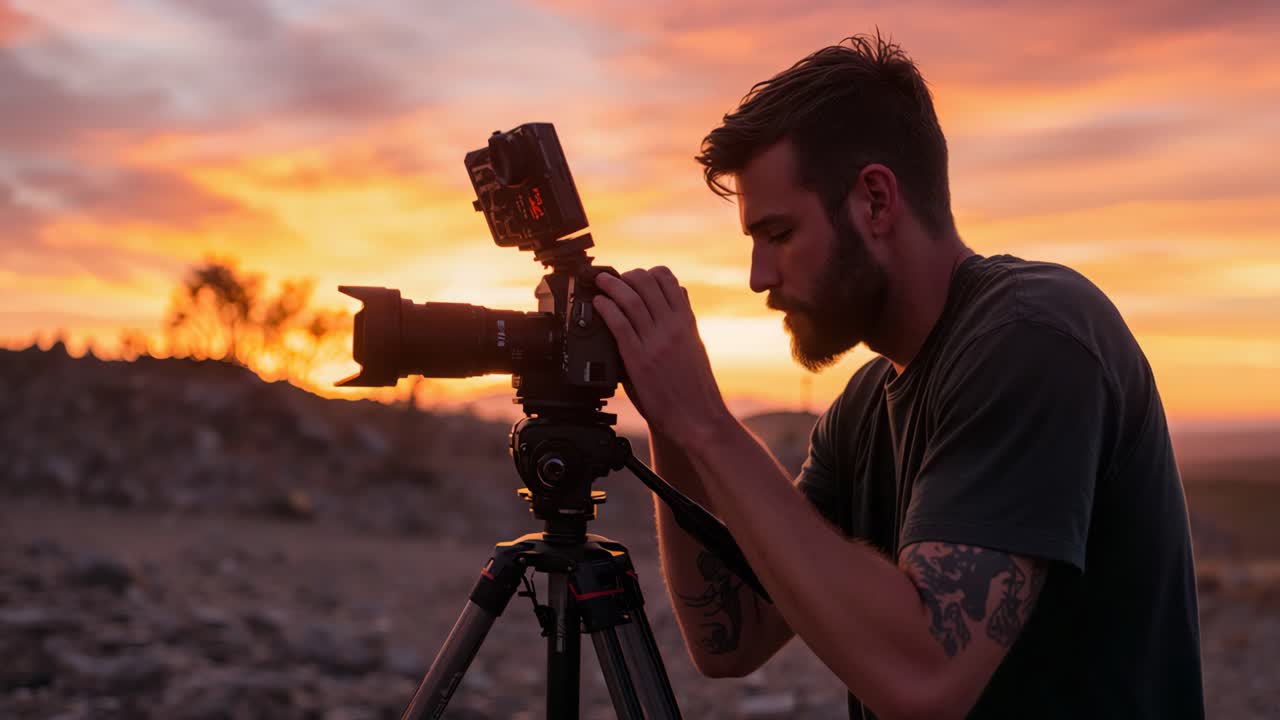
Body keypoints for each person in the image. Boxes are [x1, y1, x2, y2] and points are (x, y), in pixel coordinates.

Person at [590, 33, 1205, 720]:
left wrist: (708, 424)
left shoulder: (1034, 335)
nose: (759, 277)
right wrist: (672, 423)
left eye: (779, 234)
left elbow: (925, 680)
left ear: (876, 202)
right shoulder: (862, 409)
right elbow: (732, 637)